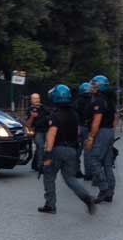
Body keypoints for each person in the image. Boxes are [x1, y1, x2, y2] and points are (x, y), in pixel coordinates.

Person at [38, 84, 97, 215]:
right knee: (70, 179)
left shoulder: (55, 115)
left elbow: (52, 134)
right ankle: (87, 198)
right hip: (72, 150)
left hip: (57, 149)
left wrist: (47, 155)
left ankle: (50, 205)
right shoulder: (74, 114)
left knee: (49, 176)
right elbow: (77, 132)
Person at [84, 75, 116, 203]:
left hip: (101, 132)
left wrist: (91, 138)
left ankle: (104, 189)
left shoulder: (98, 101)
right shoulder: (109, 100)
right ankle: (110, 192)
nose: (92, 87)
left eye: (94, 85)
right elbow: (114, 119)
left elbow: (96, 122)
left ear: (100, 86)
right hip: (109, 132)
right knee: (107, 164)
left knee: (94, 160)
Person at [25, 93, 50, 173]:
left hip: (47, 130)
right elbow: (28, 124)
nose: (37, 100)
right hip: (37, 131)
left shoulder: (45, 108)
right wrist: (32, 117)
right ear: (31, 100)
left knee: (46, 148)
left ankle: (35, 165)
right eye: (35, 99)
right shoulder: (30, 110)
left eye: (38, 98)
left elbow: (51, 117)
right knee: (40, 147)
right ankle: (40, 167)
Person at [74, 83, 92, 180]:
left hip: (78, 127)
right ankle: (88, 173)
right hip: (88, 127)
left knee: (77, 150)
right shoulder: (92, 101)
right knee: (87, 151)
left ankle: (76, 171)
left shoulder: (77, 102)